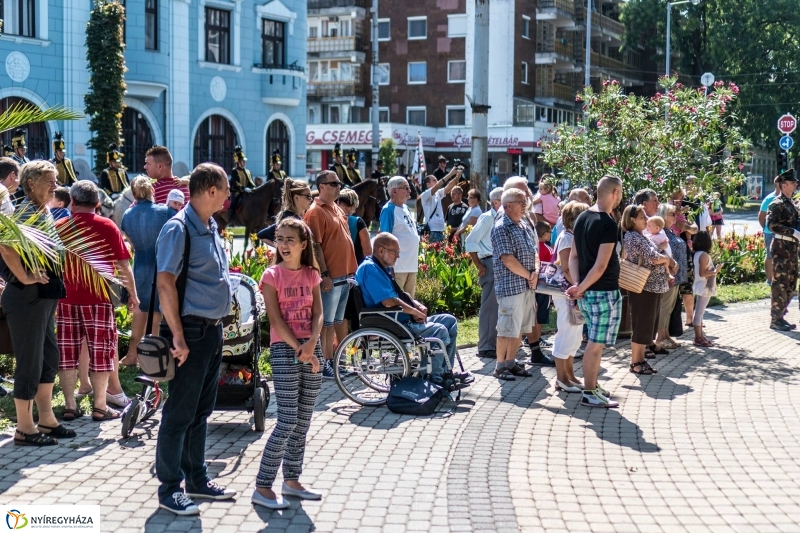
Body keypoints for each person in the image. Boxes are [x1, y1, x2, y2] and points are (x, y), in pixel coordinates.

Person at [154, 163, 235, 515]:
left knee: (201, 411)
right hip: (189, 333)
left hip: (211, 331)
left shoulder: (210, 224)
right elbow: (165, 283)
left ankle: (197, 480)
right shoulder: (178, 229)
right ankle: (170, 488)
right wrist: (177, 337)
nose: (230, 195)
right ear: (211, 191)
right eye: (226, 188)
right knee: (179, 412)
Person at [253, 218, 324, 510]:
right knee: (287, 421)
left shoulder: (312, 274)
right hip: (285, 349)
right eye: (279, 239)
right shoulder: (271, 276)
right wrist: (300, 348)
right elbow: (275, 319)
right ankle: (262, 485)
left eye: (289, 239)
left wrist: (312, 344)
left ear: (303, 244)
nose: (283, 244)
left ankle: (292, 480)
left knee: (303, 421)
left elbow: (319, 313)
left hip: (312, 347)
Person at [0, 160, 71, 445]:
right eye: (50, 181)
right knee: (29, 363)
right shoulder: (26, 212)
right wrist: (25, 276)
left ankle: (46, 419)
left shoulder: (43, 211)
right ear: (31, 183)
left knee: (48, 357)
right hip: (26, 297)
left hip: (43, 298)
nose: (56, 186)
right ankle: (25, 428)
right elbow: (4, 246)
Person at [56, 181, 139, 421]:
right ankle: (100, 406)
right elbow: (124, 266)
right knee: (102, 352)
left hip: (67, 299)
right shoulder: (107, 226)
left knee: (68, 353)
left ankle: (70, 405)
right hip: (98, 299)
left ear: (72, 202)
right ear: (98, 203)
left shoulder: (60, 226)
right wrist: (132, 295)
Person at [356, 233, 468, 385]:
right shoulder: (370, 269)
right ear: (381, 250)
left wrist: (416, 305)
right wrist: (414, 312)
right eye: (395, 252)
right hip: (393, 323)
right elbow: (389, 301)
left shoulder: (382, 268)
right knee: (439, 330)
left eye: (398, 252)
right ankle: (435, 379)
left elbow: (398, 295)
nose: (398, 256)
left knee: (450, 321)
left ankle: (444, 373)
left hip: (400, 319)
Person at [565, 175, 624, 408]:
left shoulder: (582, 217)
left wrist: (579, 286)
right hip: (602, 292)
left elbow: (574, 257)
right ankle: (589, 392)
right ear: (615, 193)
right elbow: (600, 266)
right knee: (595, 344)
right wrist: (581, 287)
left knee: (594, 342)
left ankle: (593, 385)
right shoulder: (607, 223)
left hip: (588, 292)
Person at [304, 170, 357, 379]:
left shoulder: (335, 207)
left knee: (335, 322)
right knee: (326, 324)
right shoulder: (316, 211)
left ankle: (332, 362)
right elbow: (315, 246)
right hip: (331, 276)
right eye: (334, 184)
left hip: (343, 276)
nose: (338, 187)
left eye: (339, 183)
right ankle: (325, 363)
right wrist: (324, 274)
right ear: (322, 187)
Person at [119, 176, 173, 366]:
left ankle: (132, 355)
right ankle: (152, 357)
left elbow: (131, 244)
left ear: (133, 194)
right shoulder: (166, 212)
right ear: (152, 190)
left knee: (140, 310)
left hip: (139, 265)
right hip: (160, 265)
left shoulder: (127, 215)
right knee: (155, 314)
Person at [621, 204, 675, 376]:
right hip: (643, 287)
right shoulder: (633, 237)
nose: (646, 219)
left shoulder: (640, 235)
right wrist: (668, 260)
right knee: (642, 325)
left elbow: (656, 253)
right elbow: (654, 257)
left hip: (652, 287)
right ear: (632, 220)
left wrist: (664, 260)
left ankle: (640, 360)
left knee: (646, 325)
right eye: (642, 217)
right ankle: (636, 362)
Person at [491, 188, 538, 381]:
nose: (525, 205)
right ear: (508, 205)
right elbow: (507, 259)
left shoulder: (523, 224)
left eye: (525, 200)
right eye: (521, 202)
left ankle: (511, 362)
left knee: (519, 328)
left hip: (527, 286)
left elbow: (535, 251)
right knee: (506, 329)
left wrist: (535, 271)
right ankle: (499, 366)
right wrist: (529, 275)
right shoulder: (502, 226)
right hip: (511, 287)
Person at [551, 201, 589, 393]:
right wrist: (578, 287)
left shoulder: (572, 236)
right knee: (566, 332)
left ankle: (570, 375)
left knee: (574, 333)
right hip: (566, 292)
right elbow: (565, 267)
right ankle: (561, 378)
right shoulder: (566, 238)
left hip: (573, 292)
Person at [465, 187, 503, 359]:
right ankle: (486, 346)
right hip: (490, 262)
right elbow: (470, 241)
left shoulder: (500, 218)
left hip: (498, 262)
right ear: (496, 202)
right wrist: (478, 264)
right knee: (490, 306)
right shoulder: (488, 218)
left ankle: (492, 344)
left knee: (497, 307)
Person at [765, 169, 800, 331]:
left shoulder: (791, 203)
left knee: (791, 284)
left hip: (792, 248)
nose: (796, 184)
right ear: (784, 185)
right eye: (793, 182)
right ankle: (775, 319)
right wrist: (792, 232)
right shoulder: (776, 203)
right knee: (780, 283)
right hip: (781, 247)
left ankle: (781, 315)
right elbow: (771, 225)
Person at [379, 176, 419, 295]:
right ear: (394, 191)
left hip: (411, 266)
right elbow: (384, 239)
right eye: (406, 188)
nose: (409, 190)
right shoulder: (388, 210)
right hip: (398, 268)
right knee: (399, 306)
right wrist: (388, 266)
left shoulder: (406, 208)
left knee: (410, 303)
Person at [654, 204, 684, 350]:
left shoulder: (669, 231)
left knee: (670, 307)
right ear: (663, 215)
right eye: (671, 214)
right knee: (665, 306)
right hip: (668, 274)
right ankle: (660, 337)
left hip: (676, 274)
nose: (675, 216)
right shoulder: (660, 233)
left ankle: (665, 335)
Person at [257, 178, 314, 246]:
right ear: (296, 198)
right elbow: (262, 235)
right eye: (308, 196)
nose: (311, 199)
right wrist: (280, 248)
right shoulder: (289, 219)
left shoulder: (293, 216)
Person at [691, 231, 718, 346]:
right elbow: (703, 273)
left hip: (700, 285)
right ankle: (698, 337)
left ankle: (700, 335)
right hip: (704, 286)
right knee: (699, 313)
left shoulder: (697, 253)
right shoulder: (704, 255)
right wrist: (715, 271)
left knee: (699, 312)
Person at [420, 167, 461, 243]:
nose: (437, 181)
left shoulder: (438, 193)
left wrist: (458, 175)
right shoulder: (425, 195)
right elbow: (438, 185)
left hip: (441, 230)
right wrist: (450, 174)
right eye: (434, 180)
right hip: (433, 231)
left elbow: (449, 187)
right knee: (434, 254)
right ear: (428, 184)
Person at [337, 189, 372, 265]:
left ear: (338, 203)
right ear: (353, 206)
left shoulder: (329, 219)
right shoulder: (358, 222)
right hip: (355, 267)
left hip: (334, 267)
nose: (355, 211)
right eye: (355, 208)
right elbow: (367, 251)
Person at [759, 180, 778, 285]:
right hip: (770, 233)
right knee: (770, 255)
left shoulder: (788, 198)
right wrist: (766, 229)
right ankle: (770, 280)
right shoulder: (769, 199)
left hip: (782, 233)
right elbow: (761, 216)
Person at [228, 145, 255, 219]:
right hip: (237, 192)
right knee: (234, 203)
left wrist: (254, 188)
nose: (244, 162)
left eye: (244, 161)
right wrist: (244, 188)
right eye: (243, 161)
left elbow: (251, 182)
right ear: (238, 162)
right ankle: (230, 218)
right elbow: (236, 183)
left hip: (246, 192)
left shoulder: (247, 171)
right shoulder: (234, 171)